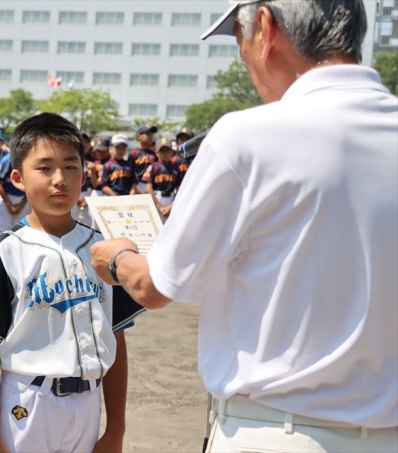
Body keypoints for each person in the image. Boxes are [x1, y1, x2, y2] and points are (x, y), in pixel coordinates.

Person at [90, 1, 398, 452]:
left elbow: (155, 286)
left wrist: (116, 256)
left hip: (275, 431)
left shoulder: (247, 136)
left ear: (266, 28)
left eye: (240, 39)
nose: (245, 58)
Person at [0, 112, 145, 453]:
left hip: (88, 402)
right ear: (18, 178)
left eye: (71, 166)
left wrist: (116, 427)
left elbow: (115, 338)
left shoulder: (104, 248)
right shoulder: (6, 250)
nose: (60, 179)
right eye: (44, 168)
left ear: (84, 174)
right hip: (28, 402)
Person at [142, 142, 181, 222]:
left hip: (171, 200)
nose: (165, 153)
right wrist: (159, 207)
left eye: (167, 150)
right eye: (162, 151)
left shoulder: (176, 169)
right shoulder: (153, 167)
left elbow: (180, 189)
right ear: (157, 153)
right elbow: (148, 188)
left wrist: (170, 206)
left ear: (172, 152)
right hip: (157, 199)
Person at [128, 125, 157, 193]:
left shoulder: (154, 154)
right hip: (137, 184)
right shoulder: (133, 153)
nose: (150, 137)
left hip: (151, 185)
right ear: (139, 136)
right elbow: (130, 172)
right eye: (148, 134)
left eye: (151, 134)